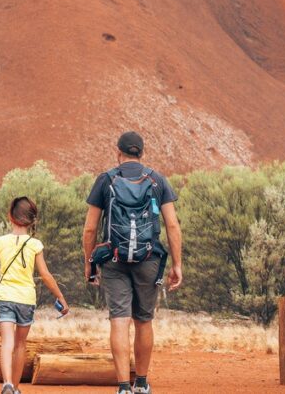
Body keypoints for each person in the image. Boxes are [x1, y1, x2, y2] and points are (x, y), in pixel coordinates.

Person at [83, 131, 182, 394]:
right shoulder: (157, 180)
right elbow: (172, 224)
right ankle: (142, 383)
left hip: (113, 260)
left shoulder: (106, 180)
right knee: (144, 320)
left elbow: (90, 230)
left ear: (118, 153)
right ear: (142, 154)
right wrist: (177, 264)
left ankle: (123, 387)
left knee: (119, 320)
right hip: (149, 259)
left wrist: (89, 263)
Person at [0, 196, 69, 394]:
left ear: (10, 217)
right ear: (32, 220)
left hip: (6, 297)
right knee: (20, 344)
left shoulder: (1, 242)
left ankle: (7, 383)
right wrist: (60, 296)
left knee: (7, 342)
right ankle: (15, 388)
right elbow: (45, 274)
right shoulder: (35, 245)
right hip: (26, 299)